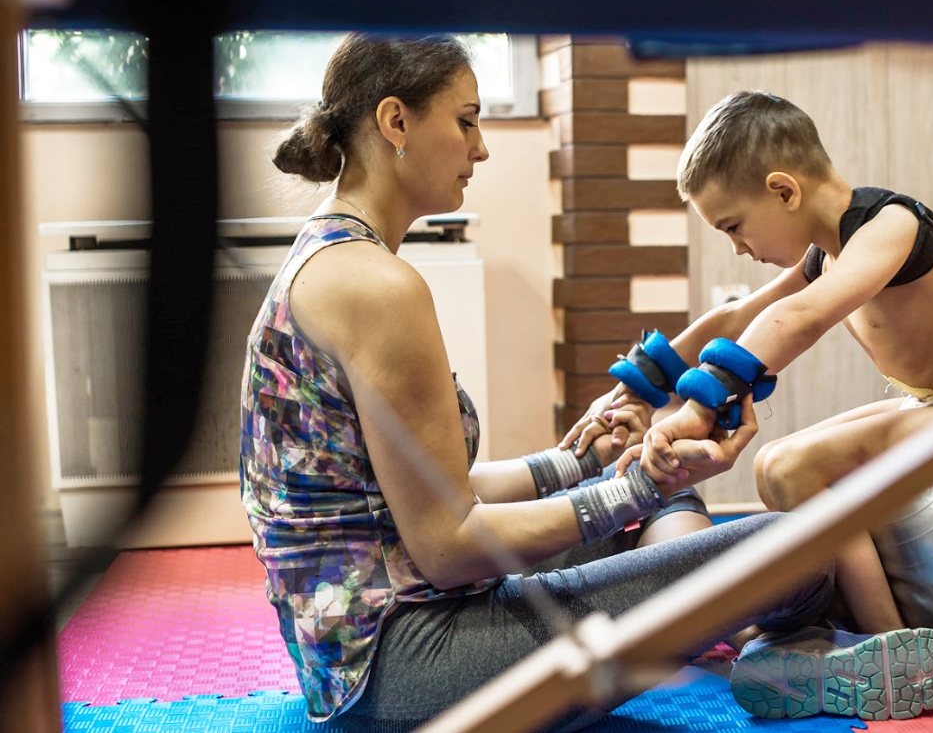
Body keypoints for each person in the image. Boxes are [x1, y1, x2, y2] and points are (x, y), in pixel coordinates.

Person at [238, 36, 838, 732]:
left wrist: (582, 462)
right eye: (466, 121)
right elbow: (448, 546)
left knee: (642, 484)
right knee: (798, 549)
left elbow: (430, 493)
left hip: (373, 647)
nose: (481, 148)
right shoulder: (374, 286)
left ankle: (742, 634)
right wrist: (640, 488)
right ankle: (774, 643)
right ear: (395, 121)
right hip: (407, 669)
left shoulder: (328, 257)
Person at [570, 88, 933, 714]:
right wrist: (634, 389)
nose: (737, 248)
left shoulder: (892, 226)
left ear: (783, 190)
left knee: (795, 467)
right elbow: (737, 316)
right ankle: (822, 635)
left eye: (733, 226)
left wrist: (699, 409)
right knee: (776, 466)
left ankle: (888, 649)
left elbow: (800, 316)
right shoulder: (829, 250)